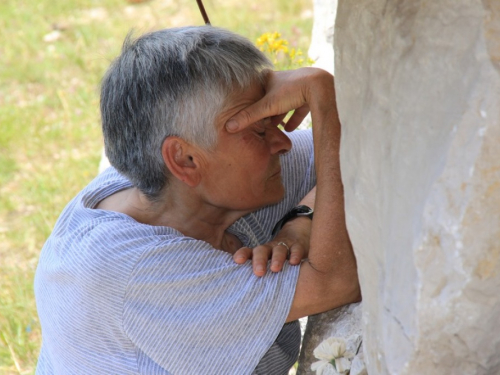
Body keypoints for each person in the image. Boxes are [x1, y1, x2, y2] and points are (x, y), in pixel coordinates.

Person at [34, 26, 360, 375]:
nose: (282, 143)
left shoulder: (181, 187)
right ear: (184, 160)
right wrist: (324, 98)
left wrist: (301, 222)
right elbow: (337, 281)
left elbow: (348, 154)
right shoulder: (134, 269)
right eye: (260, 130)